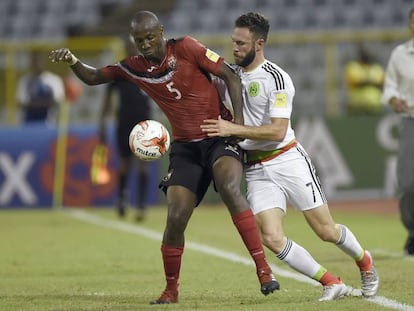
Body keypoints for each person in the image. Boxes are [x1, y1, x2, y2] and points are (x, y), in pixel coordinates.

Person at [49, 10, 279, 304]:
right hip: (185, 149)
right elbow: (94, 77)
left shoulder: (186, 47)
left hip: (219, 137)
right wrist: (72, 61)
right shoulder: (133, 68)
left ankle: (263, 270)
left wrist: (238, 124)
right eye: (139, 39)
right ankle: (171, 290)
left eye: (149, 37)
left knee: (230, 188)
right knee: (175, 217)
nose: (145, 44)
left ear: (161, 32)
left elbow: (230, 75)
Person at [201, 12, 379, 301]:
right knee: (271, 237)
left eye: (241, 43)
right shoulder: (230, 76)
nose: (234, 48)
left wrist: (232, 128)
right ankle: (331, 281)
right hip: (256, 168)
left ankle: (365, 261)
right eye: (233, 42)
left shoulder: (277, 78)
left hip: (287, 159)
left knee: (326, 230)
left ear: (259, 44)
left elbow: (277, 130)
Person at [98, 35, 152, 221]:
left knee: (143, 163)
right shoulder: (119, 70)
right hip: (125, 122)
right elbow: (107, 100)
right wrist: (103, 122)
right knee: (125, 163)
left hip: (145, 124)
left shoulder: (149, 68)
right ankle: (122, 198)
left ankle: (142, 205)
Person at [382, 8, 414, 256]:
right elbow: (389, 86)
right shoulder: (401, 54)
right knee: (408, 183)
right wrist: (393, 99)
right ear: (409, 25)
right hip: (409, 120)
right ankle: (413, 231)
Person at [17, 50, 65, 124]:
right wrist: (43, 103)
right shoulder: (25, 80)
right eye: (34, 61)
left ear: (43, 62)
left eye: (39, 61)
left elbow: (57, 101)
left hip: (49, 121)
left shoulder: (53, 80)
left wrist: (35, 103)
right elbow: (22, 103)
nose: (36, 64)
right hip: (28, 122)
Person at [344, 43, 385, 116]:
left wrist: (366, 82)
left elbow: (380, 84)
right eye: (364, 53)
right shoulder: (353, 66)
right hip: (357, 105)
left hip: (374, 105)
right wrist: (370, 82)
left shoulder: (377, 68)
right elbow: (357, 83)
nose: (366, 55)